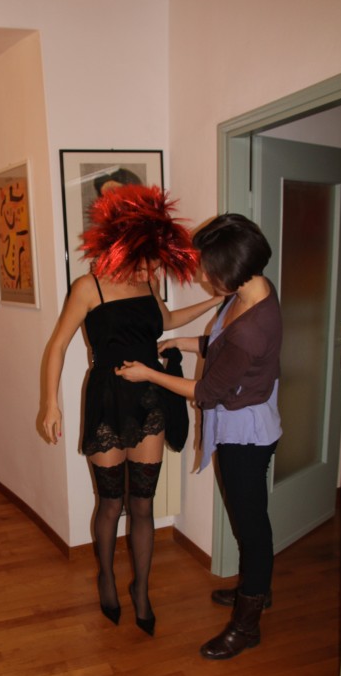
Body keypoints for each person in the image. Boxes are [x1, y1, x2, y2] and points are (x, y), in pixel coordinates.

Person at [43, 185, 221, 634]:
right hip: (106, 398)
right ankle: (106, 576)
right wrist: (50, 403)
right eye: (146, 260)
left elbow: (167, 321)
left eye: (154, 261)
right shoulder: (88, 287)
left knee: (143, 505)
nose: (151, 269)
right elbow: (58, 345)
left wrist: (217, 300)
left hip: (148, 400)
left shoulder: (149, 283)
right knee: (110, 503)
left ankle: (141, 589)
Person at [116, 213, 282, 659]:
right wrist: (181, 343)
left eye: (209, 270)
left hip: (246, 434)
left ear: (232, 268)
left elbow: (207, 392)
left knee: (251, 525)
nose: (204, 277)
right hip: (245, 416)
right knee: (250, 518)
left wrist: (148, 373)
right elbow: (222, 349)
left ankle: (247, 625)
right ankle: (256, 589)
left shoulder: (252, 328)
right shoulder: (253, 291)